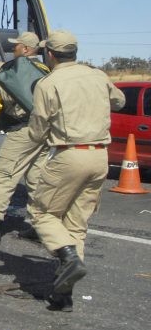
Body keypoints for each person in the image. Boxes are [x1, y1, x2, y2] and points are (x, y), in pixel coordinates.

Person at [26, 30, 125, 311]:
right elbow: (119, 102)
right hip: (99, 157)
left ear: (51, 54)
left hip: (70, 156)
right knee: (75, 225)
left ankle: (68, 257)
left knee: (42, 213)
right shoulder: (98, 75)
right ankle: (63, 295)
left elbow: (38, 128)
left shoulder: (48, 83)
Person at [0, 32, 50, 244]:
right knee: (36, 178)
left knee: (4, 175)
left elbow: (9, 97)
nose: (12, 49)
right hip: (43, 130)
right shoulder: (44, 69)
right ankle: (39, 226)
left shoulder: (21, 69)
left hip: (23, 130)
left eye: (16, 47)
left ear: (25, 50)